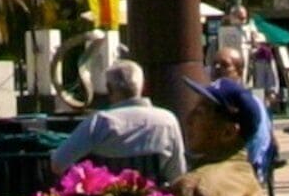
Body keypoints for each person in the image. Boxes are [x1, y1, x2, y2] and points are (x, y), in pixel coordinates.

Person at [49, 60, 187, 180]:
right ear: (144, 86)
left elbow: (57, 164)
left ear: (109, 89)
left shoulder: (100, 122)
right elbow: (178, 174)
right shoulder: (167, 120)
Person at [165, 76, 268, 196]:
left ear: (228, 133)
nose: (188, 120)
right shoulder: (248, 180)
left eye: (200, 113)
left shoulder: (193, 189)